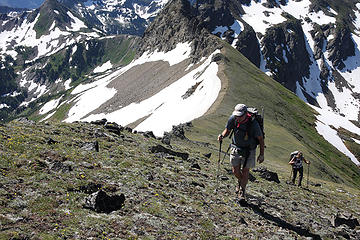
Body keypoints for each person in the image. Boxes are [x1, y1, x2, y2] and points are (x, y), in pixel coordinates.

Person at [218, 104, 265, 201]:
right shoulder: (233, 119)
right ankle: (240, 181)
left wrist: (261, 154)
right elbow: (228, 130)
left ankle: (242, 191)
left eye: (240, 116)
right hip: (236, 147)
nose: (238, 118)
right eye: (236, 115)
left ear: (245, 114)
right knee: (235, 171)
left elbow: (260, 139)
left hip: (250, 150)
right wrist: (222, 136)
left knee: (245, 170)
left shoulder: (253, 124)